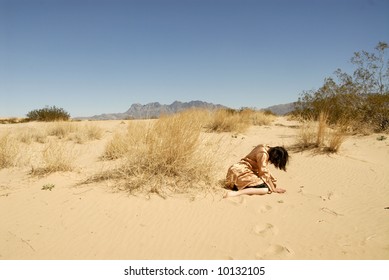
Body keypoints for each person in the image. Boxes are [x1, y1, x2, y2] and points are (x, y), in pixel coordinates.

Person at [224, 145, 289, 198]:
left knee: (268, 182)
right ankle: (236, 193)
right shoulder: (263, 154)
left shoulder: (264, 146)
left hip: (237, 169)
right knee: (265, 189)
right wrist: (273, 189)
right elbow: (263, 172)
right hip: (240, 171)